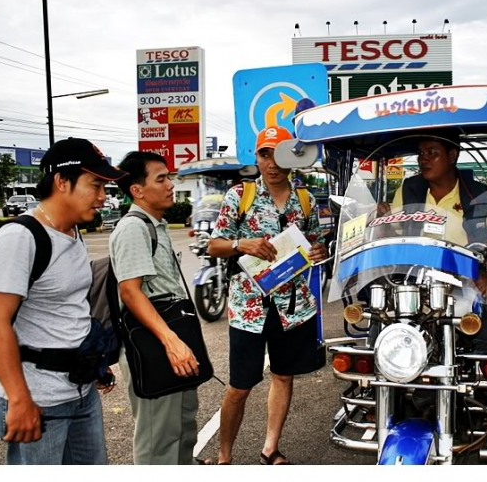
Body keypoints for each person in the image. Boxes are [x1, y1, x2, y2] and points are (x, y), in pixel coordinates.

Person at [0, 137, 126, 464]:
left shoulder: (72, 234)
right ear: (62, 181)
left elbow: (68, 311)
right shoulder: (20, 239)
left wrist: (95, 364)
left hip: (81, 393)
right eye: (96, 185)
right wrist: (19, 401)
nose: (104, 197)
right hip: (39, 400)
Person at [209, 126, 327, 465]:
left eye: (278, 154)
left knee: (283, 375)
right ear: (256, 156)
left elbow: (316, 241)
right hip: (249, 308)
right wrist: (239, 244)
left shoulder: (306, 199)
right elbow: (214, 245)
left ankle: (270, 447)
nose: (271, 163)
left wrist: (317, 250)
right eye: (264, 154)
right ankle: (224, 456)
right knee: (240, 385)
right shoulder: (239, 195)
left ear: (292, 156)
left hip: (292, 307)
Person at [109, 151, 200, 465]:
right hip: (154, 347)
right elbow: (131, 293)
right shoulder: (134, 228)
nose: (170, 185)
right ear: (137, 190)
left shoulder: (155, 225)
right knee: (157, 439)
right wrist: (171, 342)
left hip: (170, 342)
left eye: (169, 177)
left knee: (183, 428)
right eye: (161, 178)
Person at [390, 138, 487, 354]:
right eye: (421, 153)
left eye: (432, 153)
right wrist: (377, 218)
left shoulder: (481, 195)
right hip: (415, 282)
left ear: (453, 156)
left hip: (466, 282)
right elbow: (392, 232)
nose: (424, 159)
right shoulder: (407, 191)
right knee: (384, 334)